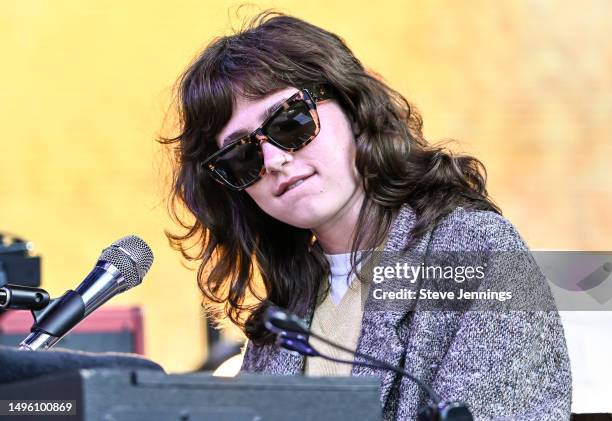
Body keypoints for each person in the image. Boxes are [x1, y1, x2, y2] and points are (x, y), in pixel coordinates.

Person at [162, 11, 572, 420]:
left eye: (290, 122)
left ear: (354, 109)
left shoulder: (474, 251)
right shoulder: (286, 307)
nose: (273, 160)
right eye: (241, 155)